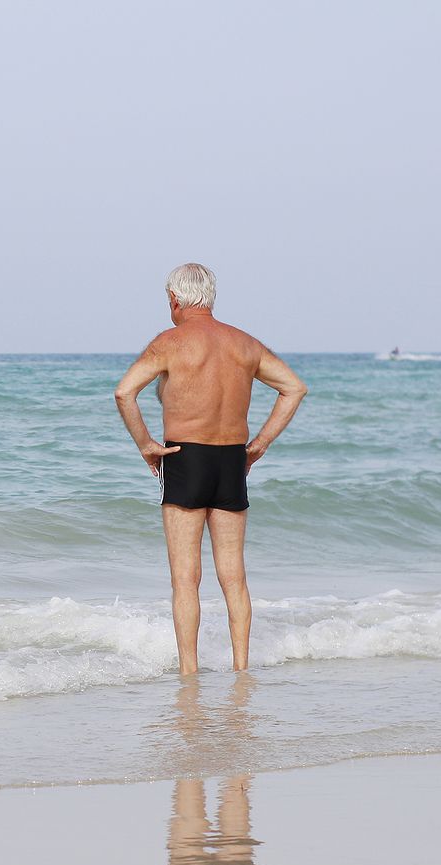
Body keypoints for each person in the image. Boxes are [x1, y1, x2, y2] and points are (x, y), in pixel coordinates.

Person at [114, 264, 307, 674]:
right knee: (233, 575)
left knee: (186, 579)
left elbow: (124, 392)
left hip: (184, 458)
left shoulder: (169, 343)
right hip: (231, 459)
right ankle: (241, 669)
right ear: (210, 298)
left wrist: (147, 445)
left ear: (175, 300)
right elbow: (293, 388)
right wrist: (259, 445)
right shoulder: (244, 343)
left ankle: (190, 673)